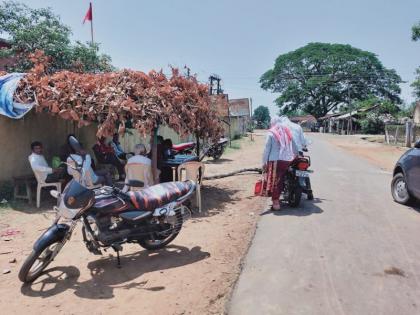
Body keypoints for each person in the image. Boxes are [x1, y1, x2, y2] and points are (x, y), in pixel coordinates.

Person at [262, 117, 296, 210]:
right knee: (280, 179)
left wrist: (264, 162)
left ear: (272, 123)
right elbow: (294, 146)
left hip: (275, 160)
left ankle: (276, 203)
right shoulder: (287, 131)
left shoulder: (271, 133)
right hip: (287, 160)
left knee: (275, 181)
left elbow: (266, 149)